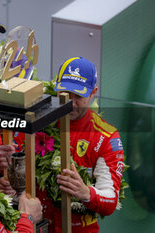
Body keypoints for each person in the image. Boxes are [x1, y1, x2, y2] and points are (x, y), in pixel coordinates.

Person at [41, 57, 125, 232]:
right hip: (38, 224)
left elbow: (111, 199)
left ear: (93, 92)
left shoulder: (106, 137)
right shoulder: (40, 119)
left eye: (78, 96)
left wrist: (85, 193)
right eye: (64, 94)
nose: (71, 102)